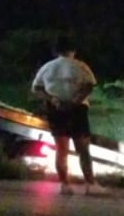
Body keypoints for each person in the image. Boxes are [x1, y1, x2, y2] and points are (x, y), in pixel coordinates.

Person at [30, 38, 108, 195]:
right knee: (83, 148)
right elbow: (89, 85)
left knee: (61, 149)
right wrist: (75, 100)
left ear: (55, 52)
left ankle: (65, 185)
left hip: (55, 109)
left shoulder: (47, 67)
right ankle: (90, 184)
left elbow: (37, 88)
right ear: (73, 51)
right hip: (77, 109)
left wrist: (52, 98)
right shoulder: (80, 66)